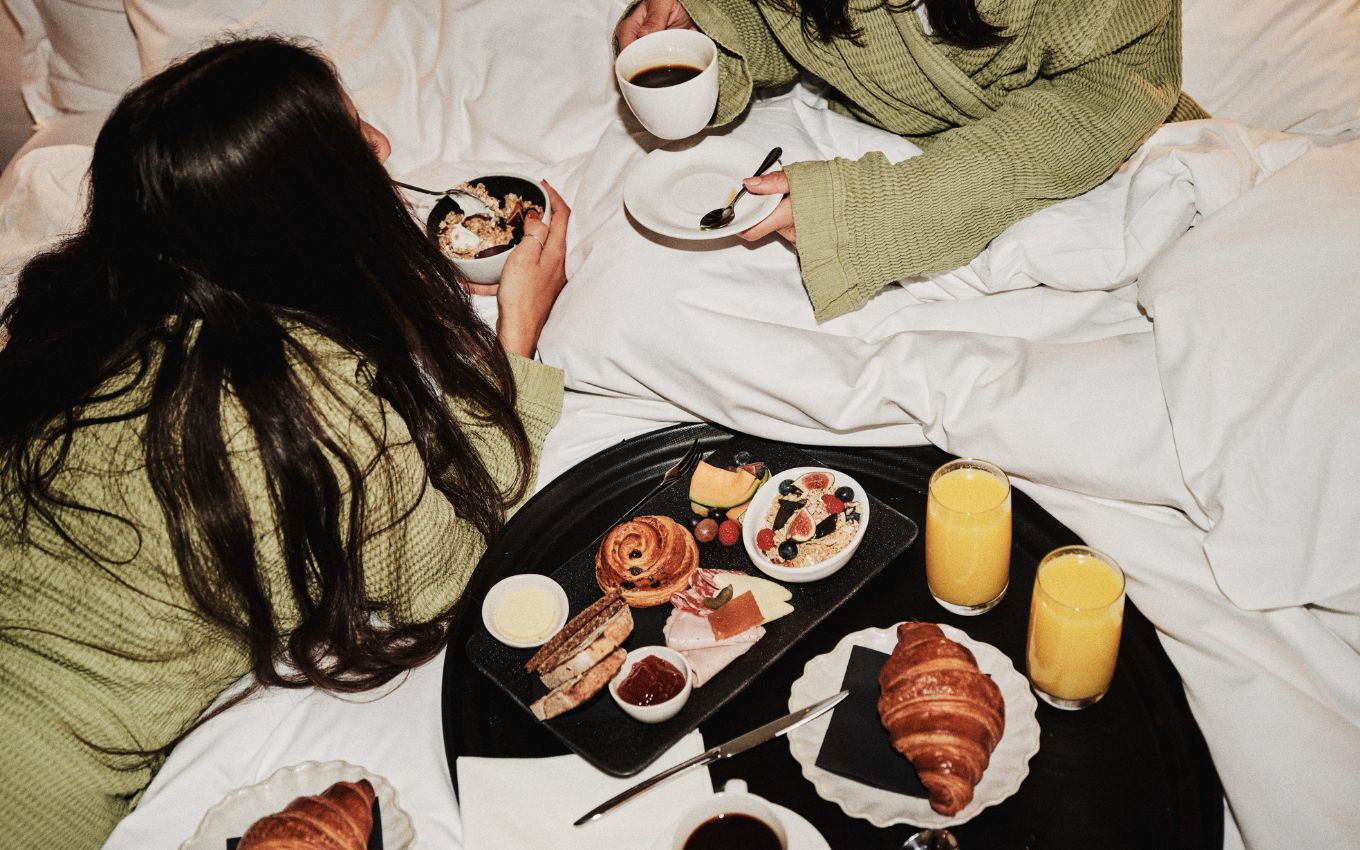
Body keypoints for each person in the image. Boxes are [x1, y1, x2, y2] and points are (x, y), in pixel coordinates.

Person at [0, 36, 569, 849]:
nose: (382, 145)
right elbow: (447, 568)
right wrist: (521, 334)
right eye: (352, 140)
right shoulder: (307, 393)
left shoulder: (84, 304)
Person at [617, 0, 1207, 321]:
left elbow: (1109, 93)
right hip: (883, 130)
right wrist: (707, 26)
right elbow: (794, 28)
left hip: (1104, 150)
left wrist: (880, 214)